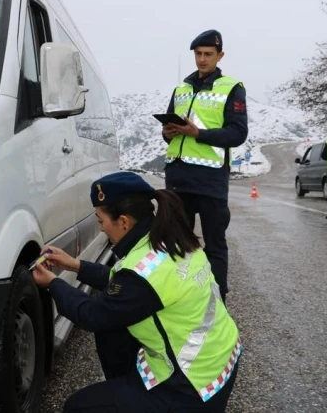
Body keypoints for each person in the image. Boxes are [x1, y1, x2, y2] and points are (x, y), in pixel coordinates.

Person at [32, 171, 242, 412]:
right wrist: (74, 265)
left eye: (101, 220)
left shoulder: (142, 273)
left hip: (192, 386)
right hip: (220, 360)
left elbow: (93, 314)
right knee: (113, 333)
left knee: (78, 407)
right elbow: (123, 286)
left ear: (123, 222)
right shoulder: (168, 239)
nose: (100, 229)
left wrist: (52, 283)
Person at [161, 29, 248, 304]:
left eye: (208, 54)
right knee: (178, 243)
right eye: (198, 54)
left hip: (210, 180)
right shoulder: (181, 89)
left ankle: (217, 299)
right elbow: (168, 131)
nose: (201, 59)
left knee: (214, 243)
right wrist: (169, 132)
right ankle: (182, 296)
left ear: (220, 55)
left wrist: (197, 133)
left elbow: (237, 134)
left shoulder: (232, 88)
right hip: (178, 177)